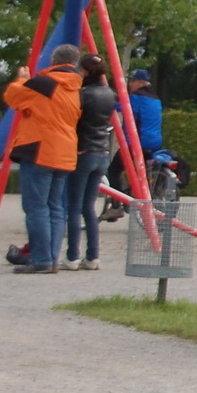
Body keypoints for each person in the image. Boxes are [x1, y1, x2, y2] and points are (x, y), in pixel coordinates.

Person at [3, 44, 85, 275]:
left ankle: (41, 260)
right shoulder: (76, 88)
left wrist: (22, 79)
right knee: (55, 208)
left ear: (53, 61)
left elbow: (13, 96)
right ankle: (51, 257)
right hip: (65, 153)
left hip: (40, 150)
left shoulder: (44, 84)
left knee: (36, 207)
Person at [63, 54, 117, 271]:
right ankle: (93, 256)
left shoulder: (82, 95)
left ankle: (72, 256)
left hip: (83, 152)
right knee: (89, 207)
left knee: (74, 207)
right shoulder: (110, 94)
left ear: (85, 71)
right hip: (102, 152)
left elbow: (72, 120)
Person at [104, 67, 164, 212]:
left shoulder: (135, 98)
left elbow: (117, 106)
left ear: (142, 83)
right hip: (155, 143)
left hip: (137, 143)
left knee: (113, 171)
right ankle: (132, 195)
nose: (130, 84)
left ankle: (117, 204)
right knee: (138, 174)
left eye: (133, 81)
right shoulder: (156, 99)